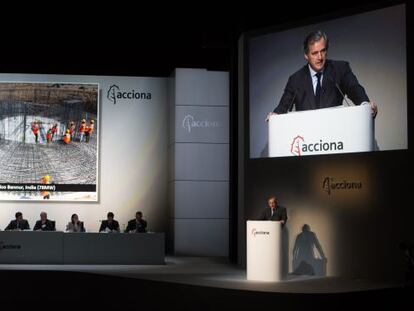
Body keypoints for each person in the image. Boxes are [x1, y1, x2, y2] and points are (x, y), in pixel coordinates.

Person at [267, 30, 378, 120]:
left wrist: (365, 105)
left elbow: (354, 88)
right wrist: (275, 115)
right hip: (308, 139)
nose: (320, 57)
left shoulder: (340, 69)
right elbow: (284, 105)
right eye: (314, 53)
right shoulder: (295, 79)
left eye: (323, 51)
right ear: (306, 55)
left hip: (336, 134)